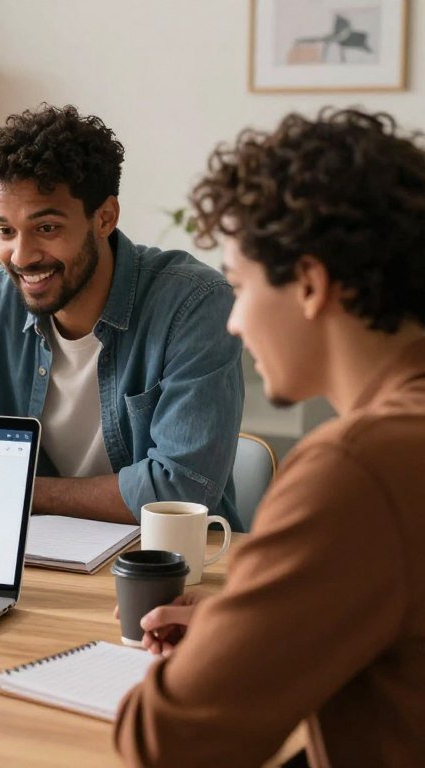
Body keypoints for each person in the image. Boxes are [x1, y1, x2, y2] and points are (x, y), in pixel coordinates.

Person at [114, 108, 425, 767]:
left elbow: (166, 742)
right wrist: (250, 626)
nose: (233, 322)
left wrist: (218, 649)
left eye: (238, 286)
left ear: (310, 285)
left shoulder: (355, 470)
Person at [0, 105, 244, 528]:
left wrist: (24, 491)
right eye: (5, 231)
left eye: (46, 228)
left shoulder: (193, 304)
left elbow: (180, 491)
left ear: (104, 217)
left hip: (168, 568)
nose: (21, 256)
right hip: (31, 558)